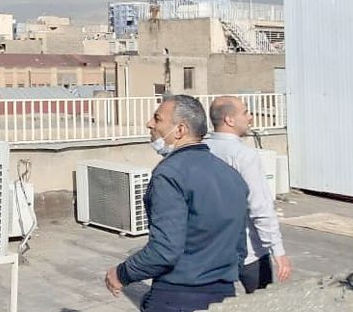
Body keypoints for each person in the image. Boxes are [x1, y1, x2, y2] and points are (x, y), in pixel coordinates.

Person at [105, 95, 249, 312]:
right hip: (224, 296)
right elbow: (239, 247)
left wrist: (121, 273)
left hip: (177, 296)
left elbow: (164, 251)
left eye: (157, 119)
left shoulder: (169, 174)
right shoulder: (231, 175)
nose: (150, 124)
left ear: (180, 130)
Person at [206, 96, 292, 293]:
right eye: (245, 112)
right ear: (229, 120)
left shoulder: (203, 149)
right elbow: (259, 206)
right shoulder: (243, 155)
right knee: (261, 301)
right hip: (248, 251)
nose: (251, 117)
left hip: (210, 251)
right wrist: (277, 250)